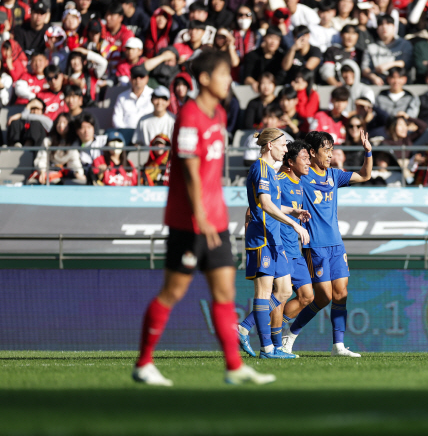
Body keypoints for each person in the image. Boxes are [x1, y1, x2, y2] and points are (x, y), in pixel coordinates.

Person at [132, 50, 275, 386]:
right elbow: (189, 167)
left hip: (217, 220)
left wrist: (214, 215)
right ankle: (144, 363)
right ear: (207, 78)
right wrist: (200, 214)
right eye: (224, 74)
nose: (230, 80)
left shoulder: (220, 114)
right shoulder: (189, 115)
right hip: (190, 223)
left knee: (225, 293)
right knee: (172, 292)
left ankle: (234, 368)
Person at [280, 130, 373, 357]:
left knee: (340, 294)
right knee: (323, 296)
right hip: (315, 246)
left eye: (332, 149)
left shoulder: (334, 175)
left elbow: (364, 175)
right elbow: (281, 186)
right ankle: (281, 332)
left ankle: (338, 346)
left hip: (336, 245)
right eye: (326, 150)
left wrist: (368, 152)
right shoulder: (301, 175)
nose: (330, 154)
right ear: (312, 152)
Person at [237, 139, 315, 357]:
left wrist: (292, 212)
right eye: (282, 146)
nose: (284, 149)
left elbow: (271, 204)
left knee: (285, 292)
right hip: (264, 238)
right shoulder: (263, 169)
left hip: (276, 241)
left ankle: (245, 328)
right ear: (271, 145)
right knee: (266, 293)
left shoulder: (272, 172)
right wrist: (292, 223)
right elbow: (262, 205)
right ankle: (270, 347)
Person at [30, 112, 86, 185]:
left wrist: (78, 173)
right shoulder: (48, 141)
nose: (61, 125)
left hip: (65, 174)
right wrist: (42, 171)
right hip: (48, 171)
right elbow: (42, 158)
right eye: (59, 122)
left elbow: (74, 161)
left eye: (65, 123)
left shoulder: (74, 143)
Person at [361, 14, 413, 85]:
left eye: (388, 24)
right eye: (381, 24)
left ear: (394, 27)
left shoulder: (405, 44)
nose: (384, 27)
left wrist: (387, 66)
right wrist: (373, 77)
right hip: (377, 82)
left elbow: (406, 63)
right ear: (377, 29)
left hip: (400, 82)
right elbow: (365, 68)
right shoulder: (371, 47)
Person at [112, 64, 154, 129]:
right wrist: (125, 132)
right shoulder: (122, 97)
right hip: (126, 134)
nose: (138, 80)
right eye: (135, 77)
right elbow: (117, 119)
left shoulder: (153, 95)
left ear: (147, 78)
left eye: (141, 76)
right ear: (130, 78)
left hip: (148, 132)